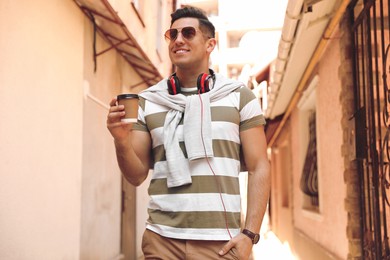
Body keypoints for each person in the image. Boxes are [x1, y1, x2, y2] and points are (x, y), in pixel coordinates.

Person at [107, 6, 270, 260]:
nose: (178, 40)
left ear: (210, 44)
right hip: (161, 241)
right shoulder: (148, 101)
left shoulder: (239, 97)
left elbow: (260, 166)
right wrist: (120, 140)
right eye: (172, 34)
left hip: (221, 244)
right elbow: (135, 175)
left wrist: (250, 235)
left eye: (188, 33)